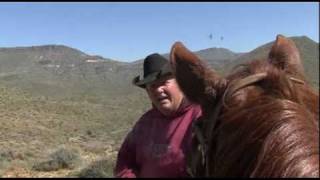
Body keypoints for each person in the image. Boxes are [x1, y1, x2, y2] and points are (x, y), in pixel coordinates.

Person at [114, 53, 202, 177]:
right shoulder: (145, 122)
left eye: (164, 82)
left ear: (179, 83)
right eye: (152, 86)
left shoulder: (201, 117)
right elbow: (125, 160)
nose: (158, 89)